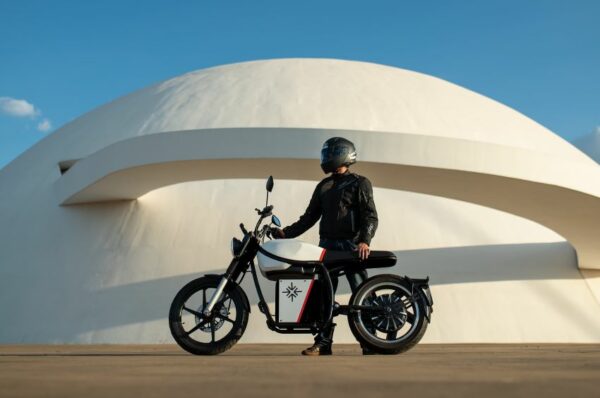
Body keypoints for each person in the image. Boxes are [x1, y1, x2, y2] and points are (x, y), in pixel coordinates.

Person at [272, 137, 378, 356]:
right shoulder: (324, 186)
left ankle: (370, 341)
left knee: (362, 292)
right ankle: (323, 342)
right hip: (327, 247)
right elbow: (309, 218)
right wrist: (285, 233)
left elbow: (370, 216)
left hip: (352, 246)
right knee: (323, 295)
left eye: (331, 153)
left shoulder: (360, 183)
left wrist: (365, 240)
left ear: (343, 155)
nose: (326, 157)